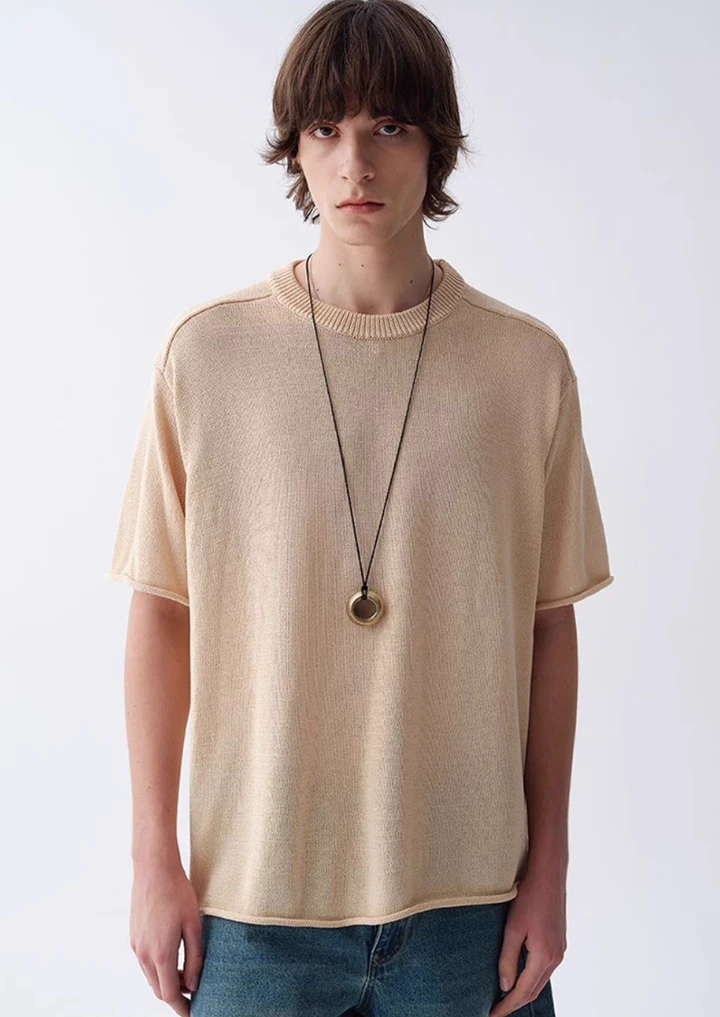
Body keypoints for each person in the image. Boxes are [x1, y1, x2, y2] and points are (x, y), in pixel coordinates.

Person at [106, 1, 614, 1015]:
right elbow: (161, 614)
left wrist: (551, 867)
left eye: (389, 126)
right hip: (252, 906)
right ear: (296, 148)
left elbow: (548, 627)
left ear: (436, 144)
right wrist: (153, 860)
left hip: (472, 908)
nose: (355, 164)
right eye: (326, 128)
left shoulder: (525, 369)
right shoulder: (207, 357)